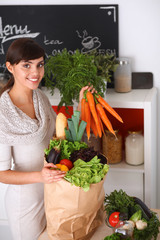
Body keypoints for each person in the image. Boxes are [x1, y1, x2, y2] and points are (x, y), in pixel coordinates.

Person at [0, 38, 94, 240]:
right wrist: (40, 177)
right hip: (26, 203)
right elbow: (2, 174)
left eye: (39, 65)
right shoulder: (2, 114)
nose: (35, 73)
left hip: (54, 192)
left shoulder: (40, 98)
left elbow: (57, 137)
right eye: (26, 65)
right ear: (10, 67)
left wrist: (82, 103)